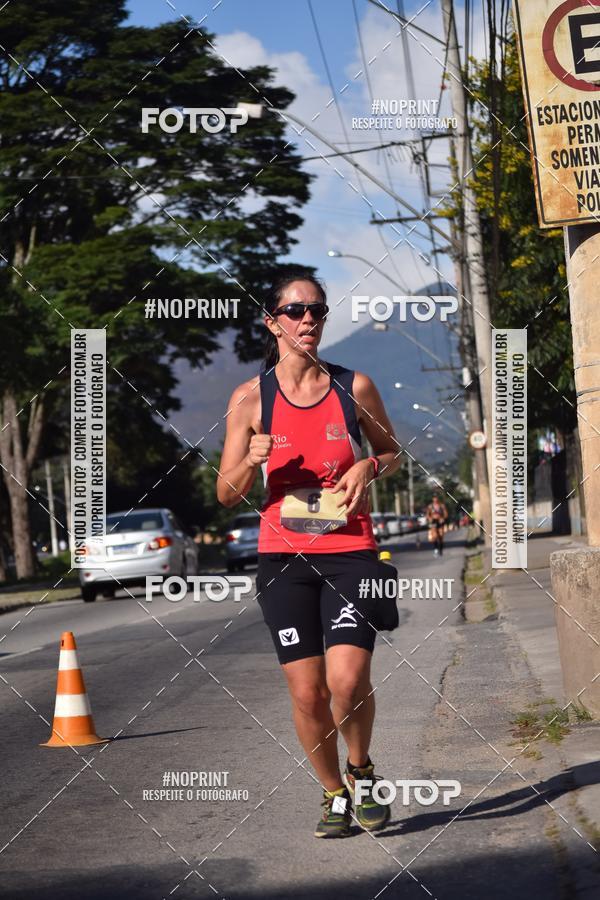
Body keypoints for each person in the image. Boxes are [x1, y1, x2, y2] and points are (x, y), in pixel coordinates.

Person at [217, 272, 402, 838]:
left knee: (346, 682)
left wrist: (367, 465)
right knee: (307, 691)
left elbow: (391, 452)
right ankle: (333, 795)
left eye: (317, 312)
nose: (308, 322)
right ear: (272, 321)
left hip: (352, 553)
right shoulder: (251, 399)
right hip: (283, 559)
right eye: (295, 311)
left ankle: (362, 769)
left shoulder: (355, 387)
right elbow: (226, 493)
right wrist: (250, 458)